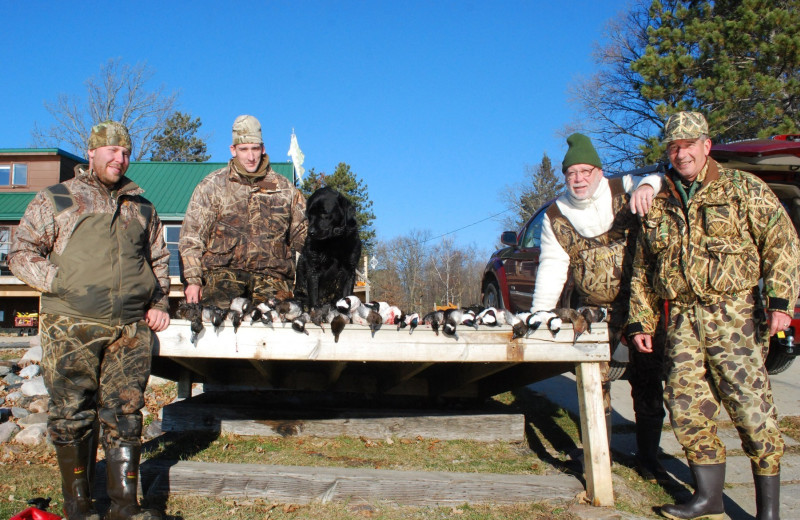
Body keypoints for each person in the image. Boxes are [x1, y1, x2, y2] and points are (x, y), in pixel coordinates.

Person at [628, 111, 799, 520]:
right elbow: (641, 268)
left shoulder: (743, 188)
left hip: (734, 314)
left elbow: (782, 241)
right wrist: (640, 320)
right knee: (685, 406)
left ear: (706, 145)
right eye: (673, 146)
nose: (681, 152)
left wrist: (780, 303)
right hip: (683, 318)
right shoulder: (659, 200)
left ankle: (768, 511)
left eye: (688, 144)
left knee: (751, 409)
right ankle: (709, 497)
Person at [9, 121, 169, 520]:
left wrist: (160, 301)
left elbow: (159, 261)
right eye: (113, 150)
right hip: (72, 325)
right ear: (93, 152)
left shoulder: (142, 207)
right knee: (72, 413)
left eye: (126, 152)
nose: (121, 158)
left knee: (126, 414)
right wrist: (62, 282)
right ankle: (79, 507)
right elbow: (21, 251)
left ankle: (125, 508)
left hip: (130, 328)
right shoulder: (58, 199)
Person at [529, 132, 667, 480]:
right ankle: (599, 454)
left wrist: (648, 186)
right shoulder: (556, 215)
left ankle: (649, 459)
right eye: (571, 173)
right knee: (594, 384)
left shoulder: (624, 189)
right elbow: (552, 266)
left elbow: (660, 177)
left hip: (641, 307)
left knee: (648, 382)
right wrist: (540, 313)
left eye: (585, 171)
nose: (578, 179)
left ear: (599, 172)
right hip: (591, 313)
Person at [179, 115, 307, 310]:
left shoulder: (285, 189)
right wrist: (193, 281)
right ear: (233, 150)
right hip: (223, 275)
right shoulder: (213, 185)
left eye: (255, 149)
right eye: (244, 149)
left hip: (273, 278)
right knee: (216, 323)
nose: (251, 157)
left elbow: (304, 237)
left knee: (280, 326)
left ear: (263, 148)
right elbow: (192, 237)